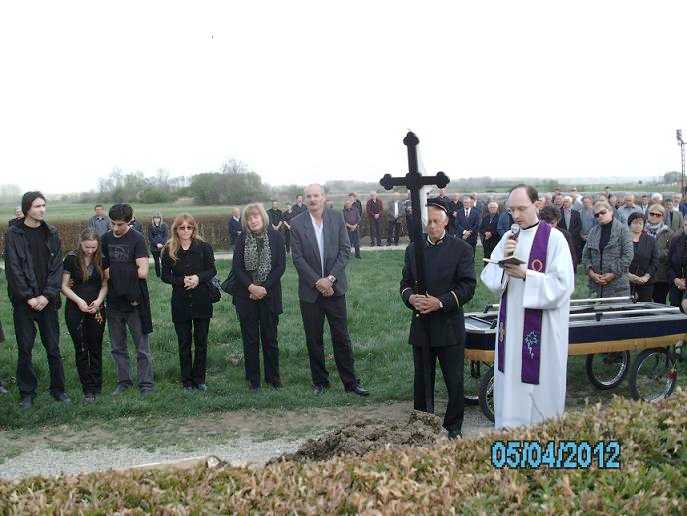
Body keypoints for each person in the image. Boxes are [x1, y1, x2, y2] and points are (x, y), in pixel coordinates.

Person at [481, 185, 575, 429]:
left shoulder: (554, 239)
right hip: (512, 326)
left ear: (537, 204)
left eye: (521, 208)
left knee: (540, 385)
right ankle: (509, 429)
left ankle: (542, 434)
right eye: (511, 210)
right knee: (511, 379)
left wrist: (526, 275)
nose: (516, 215)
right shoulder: (508, 238)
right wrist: (503, 266)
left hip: (542, 330)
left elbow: (563, 285)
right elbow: (490, 277)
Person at [400, 199, 476, 439]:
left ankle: (453, 427)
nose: (431, 226)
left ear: (446, 222)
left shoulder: (462, 249)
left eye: (436, 221)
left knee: (454, 380)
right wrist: (411, 298)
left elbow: (468, 286)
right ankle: (422, 425)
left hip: (449, 325)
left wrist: (440, 302)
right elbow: (405, 283)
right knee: (422, 380)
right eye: (428, 222)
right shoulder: (413, 249)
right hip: (421, 325)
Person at [291, 184, 368, 396]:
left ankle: (350, 383)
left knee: (341, 336)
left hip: (336, 289)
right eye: (309, 196)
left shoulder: (336, 218)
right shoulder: (296, 223)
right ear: (305, 199)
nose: (312, 199)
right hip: (310, 292)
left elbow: (345, 250)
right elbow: (297, 258)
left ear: (324, 197)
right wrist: (318, 282)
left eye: (316, 195)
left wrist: (330, 279)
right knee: (314, 338)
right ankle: (320, 382)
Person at [4, 191, 69, 408]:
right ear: (26, 209)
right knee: (25, 349)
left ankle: (59, 390)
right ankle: (27, 393)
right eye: (37, 206)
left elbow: (56, 268)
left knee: (53, 348)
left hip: (47, 301)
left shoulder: (52, 233)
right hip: (24, 303)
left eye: (43, 205)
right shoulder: (14, 234)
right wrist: (29, 297)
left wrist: (47, 296)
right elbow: (13, 269)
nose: (42, 210)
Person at [231, 203, 286, 390]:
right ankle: (253, 379)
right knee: (250, 339)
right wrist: (251, 287)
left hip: (269, 295)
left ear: (263, 217)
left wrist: (263, 288)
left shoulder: (276, 237)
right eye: (249, 218)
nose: (253, 220)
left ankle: (273, 378)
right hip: (246, 296)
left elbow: (280, 267)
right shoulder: (242, 239)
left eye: (256, 216)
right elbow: (237, 268)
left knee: (270, 338)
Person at [101, 203, 154, 396]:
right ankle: (124, 381)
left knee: (142, 347)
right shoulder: (105, 239)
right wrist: (126, 270)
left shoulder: (137, 239)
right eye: (113, 223)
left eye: (120, 224)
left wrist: (114, 271)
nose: (115, 228)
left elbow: (143, 272)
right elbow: (102, 271)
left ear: (130, 221)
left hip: (135, 300)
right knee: (117, 347)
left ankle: (146, 384)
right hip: (113, 300)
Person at [161, 214, 216, 391]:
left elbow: (212, 270)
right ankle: (186, 381)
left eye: (189, 227)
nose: (185, 231)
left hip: (202, 300)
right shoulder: (168, 249)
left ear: (194, 229)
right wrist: (181, 281)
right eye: (182, 227)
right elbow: (164, 276)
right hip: (180, 301)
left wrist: (198, 278)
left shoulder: (204, 247)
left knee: (201, 342)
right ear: (176, 229)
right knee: (184, 343)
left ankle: (199, 379)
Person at [61, 228, 108, 402]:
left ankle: (97, 385)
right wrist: (79, 301)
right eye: (87, 247)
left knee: (95, 347)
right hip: (75, 309)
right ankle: (87, 388)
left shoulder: (102, 259)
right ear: (80, 243)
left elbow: (105, 284)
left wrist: (99, 301)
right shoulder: (71, 259)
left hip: (97, 309)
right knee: (81, 349)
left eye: (93, 247)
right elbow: (63, 286)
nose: (90, 250)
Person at [580, 199, 633, 298]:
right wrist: (591, 273)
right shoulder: (593, 232)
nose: (600, 216)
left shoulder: (623, 230)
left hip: (617, 286)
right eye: (597, 215)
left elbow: (628, 256)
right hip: (596, 286)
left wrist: (613, 274)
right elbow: (585, 256)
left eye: (603, 212)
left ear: (611, 211)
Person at [645, 204, 674, 304]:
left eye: (658, 215)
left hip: (661, 275)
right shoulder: (641, 229)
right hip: (643, 273)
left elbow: (671, 251)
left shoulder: (668, 233)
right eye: (652, 214)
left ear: (662, 217)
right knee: (643, 303)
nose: (654, 216)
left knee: (659, 302)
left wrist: (655, 254)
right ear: (648, 214)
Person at [626, 213, 658, 302]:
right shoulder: (622, 239)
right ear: (629, 224)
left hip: (646, 282)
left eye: (640, 223)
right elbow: (617, 259)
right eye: (635, 223)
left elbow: (655, 261)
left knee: (644, 307)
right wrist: (628, 275)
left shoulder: (651, 240)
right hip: (626, 281)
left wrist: (646, 277)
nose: (638, 225)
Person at [538, 205, 578, 271]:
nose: (549, 226)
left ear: (558, 221)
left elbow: (571, 257)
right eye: (546, 223)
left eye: (552, 223)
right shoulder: (536, 234)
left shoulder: (565, 235)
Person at [667, 217, 687, 308]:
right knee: (675, 312)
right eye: (686, 225)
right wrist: (675, 280)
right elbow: (669, 264)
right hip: (676, 285)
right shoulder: (675, 240)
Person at [558, 196, 582, 264]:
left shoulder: (576, 213)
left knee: (573, 252)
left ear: (571, 203)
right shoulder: (559, 213)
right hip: (563, 236)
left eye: (567, 201)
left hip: (573, 237)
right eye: (564, 202)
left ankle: (574, 265)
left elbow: (579, 225)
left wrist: (572, 233)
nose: (565, 203)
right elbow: (557, 225)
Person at [147, 213, 168, 278]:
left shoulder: (164, 225)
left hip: (163, 247)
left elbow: (165, 236)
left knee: (164, 261)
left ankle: (165, 274)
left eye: (158, 218)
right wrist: (156, 244)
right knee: (156, 262)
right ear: (153, 219)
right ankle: (158, 275)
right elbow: (150, 237)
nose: (157, 219)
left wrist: (162, 244)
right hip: (154, 248)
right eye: (155, 218)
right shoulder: (150, 226)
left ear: (160, 219)